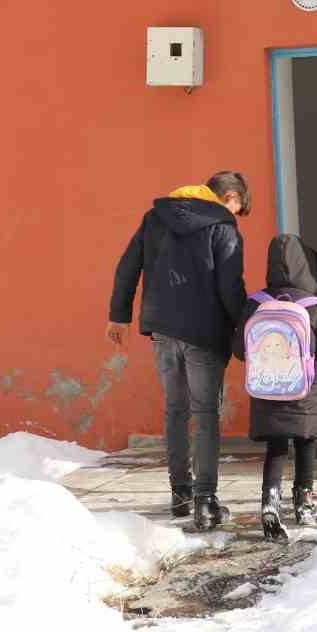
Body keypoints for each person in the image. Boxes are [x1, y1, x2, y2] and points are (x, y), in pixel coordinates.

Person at [107, 172, 251, 530]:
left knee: (175, 409)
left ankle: (180, 495)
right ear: (229, 196)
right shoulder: (223, 227)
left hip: (162, 329)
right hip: (203, 332)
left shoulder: (156, 217)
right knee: (205, 414)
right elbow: (230, 287)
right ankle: (205, 501)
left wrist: (118, 316)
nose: (235, 214)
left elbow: (127, 267)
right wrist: (249, 326)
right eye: (238, 207)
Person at [234, 234, 317, 542]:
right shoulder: (315, 306)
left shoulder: (256, 302)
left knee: (276, 446)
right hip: (307, 389)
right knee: (305, 442)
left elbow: (241, 350)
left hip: (267, 388)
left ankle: (270, 502)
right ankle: (304, 504)